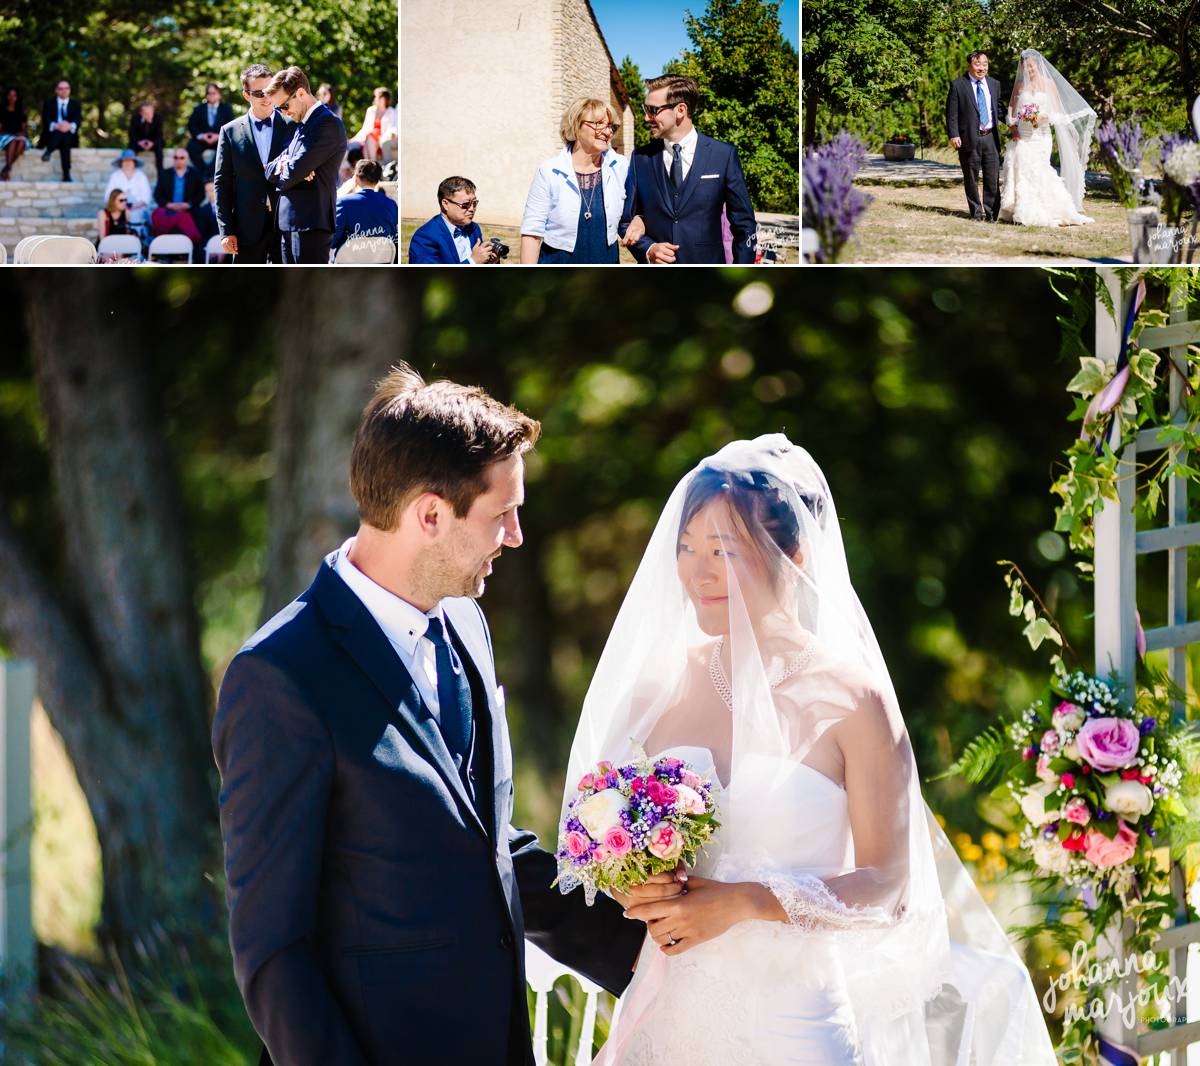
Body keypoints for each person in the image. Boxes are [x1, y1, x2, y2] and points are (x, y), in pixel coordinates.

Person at [559, 435, 1061, 1066]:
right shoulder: (658, 689)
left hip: (794, 1030)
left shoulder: (855, 700)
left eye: (723, 551)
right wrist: (637, 885)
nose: (697, 572)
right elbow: (600, 848)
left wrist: (747, 902)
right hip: (670, 1017)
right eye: (688, 550)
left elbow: (888, 889)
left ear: (792, 555)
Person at [212, 364, 647, 1065]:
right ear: (431, 515)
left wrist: (659, 954)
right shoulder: (281, 678)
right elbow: (273, 951)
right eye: (502, 513)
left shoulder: (466, 627)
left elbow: (488, 851)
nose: (516, 536)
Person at [619, 75, 756, 265]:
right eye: (645, 109)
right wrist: (648, 249)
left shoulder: (723, 155)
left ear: (680, 110)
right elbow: (625, 222)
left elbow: (744, 225)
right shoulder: (640, 159)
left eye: (653, 110)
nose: (645, 117)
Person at [520, 97, 631, 265]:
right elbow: (532, 233)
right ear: (576, 126)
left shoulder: (620, 166)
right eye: (598, 123)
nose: (607, 132)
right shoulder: (549, 171)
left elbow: (636, 212)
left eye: (610, 126)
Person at [998, 49, 1096, 228]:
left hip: (1041, 136)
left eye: (1031, 66)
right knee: (1021, 169)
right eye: (1025, 66)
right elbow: (1012, 108)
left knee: (1040, 170)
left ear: (1038, 65)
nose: (1028, 70)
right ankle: (1021, 209)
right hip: (1023, 134)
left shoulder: (1049, 84)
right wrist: (1013, 126)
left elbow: (1056, 111)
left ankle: (1049, 209)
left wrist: (1040, 117)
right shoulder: (1019, 85)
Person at [264, 66, 348, 264]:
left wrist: (290, 168)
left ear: (300, 93)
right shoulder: (301, 125)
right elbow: (269, 170)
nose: (284, 113)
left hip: (311, 224)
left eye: (284, 106)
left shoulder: (327, 124)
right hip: (287, 223)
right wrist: (284, 166)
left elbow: (293, 171)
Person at [214, 63, 292, 264]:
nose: (267, 98)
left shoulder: (293, 125)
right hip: (246, 227)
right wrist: (226, 230)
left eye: (270, 91)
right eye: (259, 93)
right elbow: (222, 184)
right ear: (246, 95)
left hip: (286, 223)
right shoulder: (229, 132)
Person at [946, 52, 1005, 222]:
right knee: (971, 177)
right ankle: (976, 213)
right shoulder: (958, 85)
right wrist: (954, 134)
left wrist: (1014, 121)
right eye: (978, 64)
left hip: (990, 138)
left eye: (985, 64)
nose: (982, 67)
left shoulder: (994, 84)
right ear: (969, 65)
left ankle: (992, 214)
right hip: (968, 138)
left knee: (992, 178)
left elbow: (998, 109)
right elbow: (951, 114)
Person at [408, 176, 501, 264]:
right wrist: (473, 262)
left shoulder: (474, 228)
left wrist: (490, 262)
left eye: (474, 203)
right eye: (465, 204)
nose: (472, 208)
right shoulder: (425, 236)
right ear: (445, 204)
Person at [332, 158, 398, 257]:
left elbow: (333, 240)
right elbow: (393, 238)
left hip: (349, 261)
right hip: (381, 260)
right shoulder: (391, 204)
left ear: (356, 178)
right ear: (378, 180)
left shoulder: (343, 203)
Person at [151, 148, 205, 250]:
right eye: (175, 157)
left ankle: (196, 246)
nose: (178, 160)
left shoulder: (195, 174)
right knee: (156, 213)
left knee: (200, 214)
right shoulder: (165, 174)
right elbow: (157, 195)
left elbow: (201, 194)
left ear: (187, 160)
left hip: (189, 210)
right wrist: (168, 204)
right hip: (169, 210)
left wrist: (189, 204)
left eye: (181, 158)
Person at [186, 83, 234, 179]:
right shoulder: (199, 108)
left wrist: (219, 136)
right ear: (206, 95)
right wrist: (201, 136)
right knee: (191, 147)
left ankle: (210, 173)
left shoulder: (226, 108)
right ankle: (204, 172)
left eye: (214, 93)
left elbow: (231, 125)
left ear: (219, 94)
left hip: (220, 139)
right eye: (209, 93)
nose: (211, 95)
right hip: (203, 140)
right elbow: (191, 125)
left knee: (225, 149)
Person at [39, 79, 81, 182]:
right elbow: (46, 120)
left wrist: (69, 126)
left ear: (70, 90)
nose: (64, 91)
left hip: (69, 137)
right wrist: (57, 126)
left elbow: (78, 120)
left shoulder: (75, 104)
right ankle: (66, 174)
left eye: (66, 88)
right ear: (56, 90)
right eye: (61, 88)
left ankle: (49, 151)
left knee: (65, 136)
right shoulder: (49, 103)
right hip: (52, 135)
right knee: (62, 135)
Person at [104, 149, 154, 232]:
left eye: (130, 161)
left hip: (138, 208)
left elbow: (146, 198)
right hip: (119, 208)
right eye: (125, 161)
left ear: (134, 163)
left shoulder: (141, 176)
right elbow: (108, 196)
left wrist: (132, 208)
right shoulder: (115, 176)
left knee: (137, 216)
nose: (127, 163)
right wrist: (122, 208)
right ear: (121, 163)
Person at [349, 87, 396, 164]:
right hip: (369, 138)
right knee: (368, 137)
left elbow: (391, 128)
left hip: (382, 138)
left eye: (376, 96)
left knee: (370, 137)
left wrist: (381, 140)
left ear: (383, 98)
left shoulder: (391, 111)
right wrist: (354, 139)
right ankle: (371, 163)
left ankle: (371, 163)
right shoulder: (371, 110)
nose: (374, 99)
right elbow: (365, 129)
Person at [128, 101, 164, 175]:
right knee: (131, 149)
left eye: (151, 112)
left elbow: (159, 134)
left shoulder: (158, 118)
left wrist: (152, 143)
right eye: (146, 113)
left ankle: (160, 173)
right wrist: (139, 142)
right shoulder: (135, 118)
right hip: (139, 143)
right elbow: (132, 134)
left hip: (153, 143)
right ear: (141, 113)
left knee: (159, 146)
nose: (150, 115)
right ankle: (130, 170)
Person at [0, 86, 28, 181]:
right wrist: (12, 135)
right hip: (4, 136)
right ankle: (7, 169)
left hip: (18, 137)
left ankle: (6, 168)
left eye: (14, 95)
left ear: (17, 97)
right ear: (7, 96)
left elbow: (24, 129)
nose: (12, 98)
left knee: (21, 142)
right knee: (12, 141)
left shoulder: (21, 111)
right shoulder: (1, 109)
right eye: (10, 95)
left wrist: (20, 135)